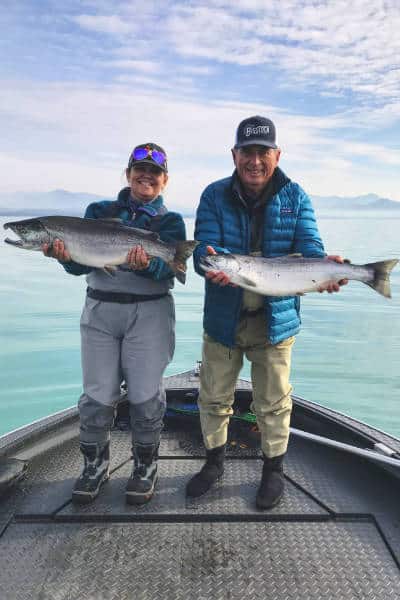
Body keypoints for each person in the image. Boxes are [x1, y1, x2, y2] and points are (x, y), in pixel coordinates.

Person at [187, 116, 347, 509]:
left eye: (263, 152)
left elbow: (310, 249)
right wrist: (208, 262)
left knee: (274, 402)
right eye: (247, 152)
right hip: (224, 320)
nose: (254, 160)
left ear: (277, 155)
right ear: (234, 155)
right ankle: (214, 463)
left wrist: (327, 269)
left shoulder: (296, 197)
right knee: (213, 397)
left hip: (275, 323)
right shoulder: (213, 195)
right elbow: (202, 255)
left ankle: (273, 470)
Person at [43, 142, 186, 505]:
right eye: (140, 170)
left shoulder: (171, 222)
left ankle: (145, 467)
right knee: (97, 394)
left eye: (154, 172)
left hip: (150, 312)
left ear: (164, 180)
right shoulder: (97, 211)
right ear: (127, 174)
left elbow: (168, 272)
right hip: (101, 310)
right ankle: (94, 466)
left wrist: (148, 263)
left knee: (144, 395)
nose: (146, 177)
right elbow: (80, 265)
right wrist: (64, 257)